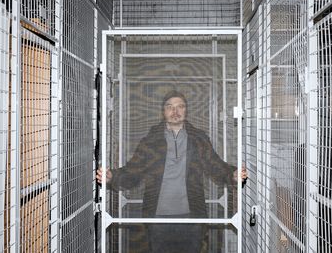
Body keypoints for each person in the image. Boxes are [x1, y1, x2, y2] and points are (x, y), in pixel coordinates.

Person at [97, 90, 248, 253]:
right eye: (170, 107)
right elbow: (134, 171)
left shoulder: (198, 138)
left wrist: (232, 174)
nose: (175, 111)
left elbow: (215, 165)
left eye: (180, 107)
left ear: (186, 110)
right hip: (157, 218)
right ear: (163, 112)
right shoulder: (151, 140)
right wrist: (113, 177)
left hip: (192, 217)